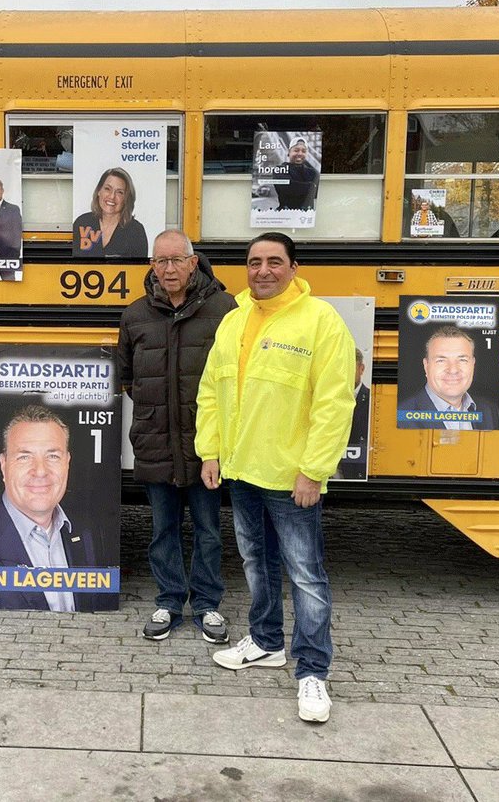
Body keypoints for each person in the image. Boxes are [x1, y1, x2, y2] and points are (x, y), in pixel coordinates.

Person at [196, 232, 356, 724]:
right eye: (254, 262)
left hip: (292, 479)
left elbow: (335, 403)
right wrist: (211, 452)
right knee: (256, 565)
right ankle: (266, 643)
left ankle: (313, 672)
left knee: (306, 576)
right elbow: (211, 392)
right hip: (242, 470)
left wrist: (314, 470)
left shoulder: (321, 321)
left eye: (274, 262)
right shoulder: (234, 320)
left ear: (293, 267)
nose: (262, 270)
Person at [117, 229, 236, 644]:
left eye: (175, 260)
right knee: (162, 529)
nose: (168, 269)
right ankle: (168, 602)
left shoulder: (225, 309)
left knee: (208, 529)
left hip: (207, 445)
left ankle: (207, 605)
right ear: (152, 265)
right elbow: (128, 377)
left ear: (192, 262)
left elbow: (234, 378)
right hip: (155, 441)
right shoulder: (134, 315)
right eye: (159, 261)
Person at [0, 405, 108, 612]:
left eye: (52, 456)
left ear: (67, 462)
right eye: (24, 456)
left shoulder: (88, 534)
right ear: (4, 465)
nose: (40, 471)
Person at [398, 325, 498, 430]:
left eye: (462, 360)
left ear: (473, 363)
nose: (453, 370)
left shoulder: (490, 411)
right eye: (441, 360)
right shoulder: (402, 416)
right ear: (426, 365)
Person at [71, 167, 148, 258]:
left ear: (126, 199)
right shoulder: (82, 223)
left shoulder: (135, 230)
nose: (112, 196)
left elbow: (140, 270)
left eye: (119, 192)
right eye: (107, 189)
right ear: (99, 191)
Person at [339, 348, 371, 480]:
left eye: (350, 367)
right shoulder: (325, 399)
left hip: (356, 471)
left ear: (361, 369)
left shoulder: (371, 399)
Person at [274, 138, 319, 212]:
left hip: (307, 217)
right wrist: (312, 186)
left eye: (303, 151)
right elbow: (289, 187)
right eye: (296, 150)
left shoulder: (312, 172)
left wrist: (308, 187)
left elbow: (317, 192)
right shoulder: (279, 169)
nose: (300, 154)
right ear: (289, 152)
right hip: (285, 216)